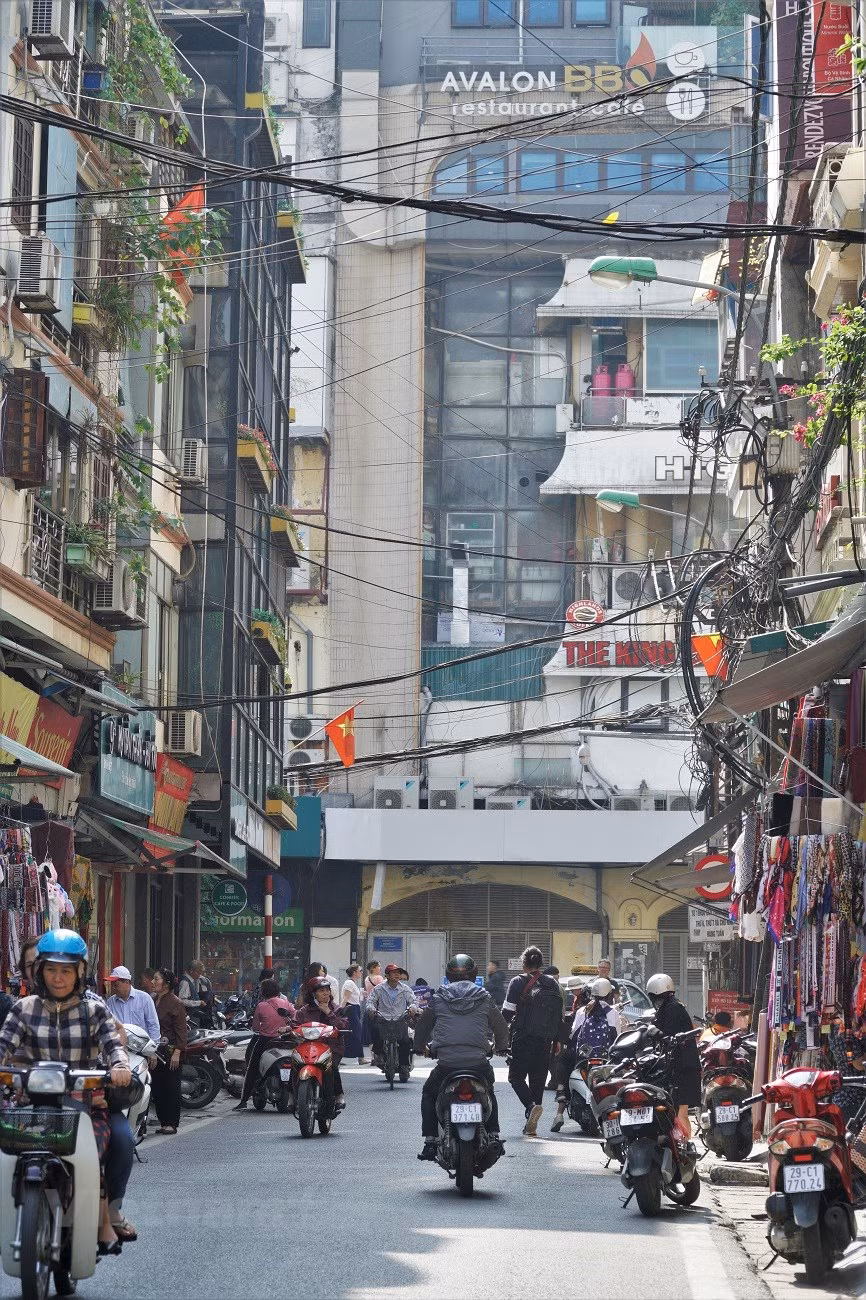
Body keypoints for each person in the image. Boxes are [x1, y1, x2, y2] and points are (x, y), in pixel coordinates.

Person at [0, 929, 134, 1252]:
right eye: (51, 969)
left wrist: (120, 1068)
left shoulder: (95, 1011)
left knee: (120, 1141)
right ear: (39, 972)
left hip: (85, 1107)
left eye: (66, 970)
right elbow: (3, 1045)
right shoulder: (24, 1009)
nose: (58, 978)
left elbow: (114, 1046)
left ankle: (106, 1213)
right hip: (30, 1107)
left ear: (80, 973)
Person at [413, 953, 508, 1161]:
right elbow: (500, 1026)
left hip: (447, 1064)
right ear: (474, 975)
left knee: (429, 1093)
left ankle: (429, 1141)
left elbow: (423, 1026)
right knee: (489, 1092)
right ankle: (494, 1134)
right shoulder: (485, 997)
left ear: (448, 975)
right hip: (478, 1063)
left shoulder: (438, 998)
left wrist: (419, 1047)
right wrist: (501, 1047)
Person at [502, 946, 564, 1135]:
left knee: (516, 1077)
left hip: (522, 1038)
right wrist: (557, 1040)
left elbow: (507, 1012)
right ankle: (532, 1125)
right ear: (541, 964)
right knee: (538, 1081)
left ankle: (530, 1107)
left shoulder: (517, 982)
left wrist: (501, 1036)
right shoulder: (552, 984)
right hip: (546, 1041)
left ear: (524, 963)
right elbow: (558, 1015)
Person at [551, 978, 622, 1132]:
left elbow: (573, 1035)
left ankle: (561, 1100)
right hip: (605, 1058)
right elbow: (616, 1038)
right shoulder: (613, 1012)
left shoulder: (583, 1011)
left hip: (584, 1057)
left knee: (563, 1060)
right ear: (609, 994)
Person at [646, 972, 701, 1138]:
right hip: (679, 1065)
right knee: (676, 1110)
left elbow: (669, 1036)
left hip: (683, 1066)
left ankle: (685, 1147)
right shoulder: (670, 1006)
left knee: (680, 1111)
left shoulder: (672, 1008)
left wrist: (655, 1032)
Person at [233, 979, 295, 1110]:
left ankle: (243, 1100)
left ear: (263, 991)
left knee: (251, 1067)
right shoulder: (286, 1003)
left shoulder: (261, 1006)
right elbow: (295, 1019)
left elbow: (255, 1027)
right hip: (286, 1040)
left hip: (266, 1041)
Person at [294, 977, 348, 1111]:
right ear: (313, 994)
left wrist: (329, 1013)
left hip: (332, 1047)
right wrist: (287, 1028)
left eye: (327, 990)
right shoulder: (304, 1011)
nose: (325, 993)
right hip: (308, 1047)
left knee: (332, 1067)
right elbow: (293, 1024)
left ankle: (338, 1094)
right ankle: (291, 1094)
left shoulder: (336, 1009)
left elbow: (343, 1027)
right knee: (294, 1063)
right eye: (321, 990)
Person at [151, 968, 188, 1135]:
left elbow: (181, 1030)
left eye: (156, 979)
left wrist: (178, 1052)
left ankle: (171, 1122)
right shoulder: (151, 1000)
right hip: (154, 1050)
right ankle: (163, 1120)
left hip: (171, 1050)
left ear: (165, 984)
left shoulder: (175, 1003)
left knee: (171, 1088)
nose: (152, 982)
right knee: (157, 1088)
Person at [366, 963, 419, 1072]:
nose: (397, 975)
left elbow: (414, 1001)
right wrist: (371, 1009)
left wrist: (412, 1008)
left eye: (398, 972)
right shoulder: (379, 989)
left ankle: (404, 1066)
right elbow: (370, 1001)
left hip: (400, 1018)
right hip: (383, 1018)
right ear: (387, 976)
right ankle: (379, 1055)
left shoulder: (405, 989)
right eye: (394, 972)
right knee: (375, 1031)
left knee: (405, 1040)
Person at [105, 966, 161, 1054]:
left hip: (141, 1050)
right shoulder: (110, 1002)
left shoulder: (144, 998)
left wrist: (153, 1051)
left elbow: (153, 1025)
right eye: (112, 985)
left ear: (127, 982)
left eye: (116, 985)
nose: (113, 988)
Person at [341, 964, 368, 1064]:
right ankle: (360, 1057)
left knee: (354, 1033)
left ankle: (359, 1057)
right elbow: (346, 998)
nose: (361, 972)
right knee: (356, 1033)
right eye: (360, 970)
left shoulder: (353, 983)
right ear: (354, 972)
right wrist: (340, 1010)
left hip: (355, 1008)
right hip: (350, 1009)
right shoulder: (349, 983)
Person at [178, 959, 212, 1028]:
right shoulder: (185, 983)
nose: (199, 976)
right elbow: (182, 1001)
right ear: (191, 971)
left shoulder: (189, 981)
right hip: (189, 1017)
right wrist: (199, 1003)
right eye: (198, 973)